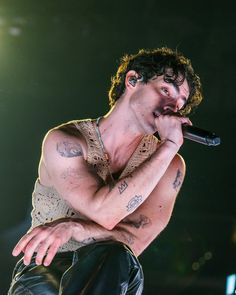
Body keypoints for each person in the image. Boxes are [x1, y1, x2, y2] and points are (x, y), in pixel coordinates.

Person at [8, 47, 203, 294]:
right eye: (165, 91)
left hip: (111, 275)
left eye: (179, 104)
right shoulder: (66, 141)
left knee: (117, 255)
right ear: (132, 80)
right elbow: (105, 212)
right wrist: (170, 146)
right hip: (46, 269)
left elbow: (135, 240)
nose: (172, 107)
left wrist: (76, 227)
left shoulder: (170, 164)